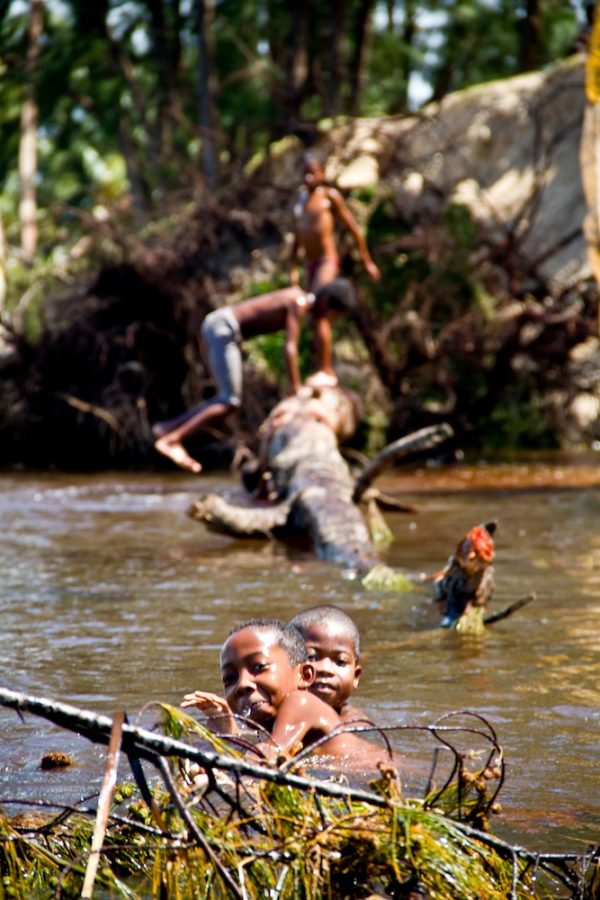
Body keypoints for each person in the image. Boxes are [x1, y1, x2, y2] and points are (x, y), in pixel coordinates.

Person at [152, 279, 358, 474]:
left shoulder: (297, 297)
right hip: (224, 329)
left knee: (223, 398)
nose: (329, 321)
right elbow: (290, 349)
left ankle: (166, 428)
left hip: (218, 325)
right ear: (326, 302)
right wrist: (295, 389)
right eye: (334, 316)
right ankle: (172, 440)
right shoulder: (299, 301)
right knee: (230, 400)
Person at [181, 618, 398, 771]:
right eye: (230, 678)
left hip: (405, 778)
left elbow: (268, 757)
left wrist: (221, 773)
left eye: (258, 667)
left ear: (304, 675)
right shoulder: (269, 728)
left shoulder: (301, 702)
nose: (242, 684)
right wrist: (228, 731)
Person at [290, 152, 381, 293]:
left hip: (327, 260)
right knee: (310, 306)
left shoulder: (329, 196)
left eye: (313, 173)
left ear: (322, 174)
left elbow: (353, 229)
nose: (308, 177)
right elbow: (298, 236)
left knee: (318, 299)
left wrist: (367, 261)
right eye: (305, 173)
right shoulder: (301, 202)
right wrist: (293, 268)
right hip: (310, 263)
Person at [289, 605, 368, 724]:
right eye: (311, 657)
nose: (325, 669)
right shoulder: (267, 712)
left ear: (355, 677)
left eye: (340, 662)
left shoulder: (355, 725)